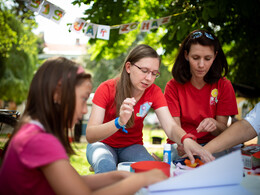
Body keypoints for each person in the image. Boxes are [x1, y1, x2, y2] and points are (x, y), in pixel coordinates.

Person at [0, 57, 168, 195]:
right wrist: (141, 179)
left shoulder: (31, 131)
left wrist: (117, 176)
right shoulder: (39, 141)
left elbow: (76, 181)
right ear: (57, 94)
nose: (83, 111)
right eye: (82, 100)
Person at [86, 44, 214, 174]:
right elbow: (90, 135)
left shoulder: (154, 92)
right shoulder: (106, 89)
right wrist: (119, 122)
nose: (149, 78)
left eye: (154, 73)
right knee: (106, 165)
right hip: (102, 144)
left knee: (150, 171)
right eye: (144, 70)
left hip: (131, 147)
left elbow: (170, 126)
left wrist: (185, 139)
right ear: (129, 67)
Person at [164, 30, 238, 160]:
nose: (201, 65)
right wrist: (184, 141)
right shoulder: (173, 86)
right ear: (186, 55)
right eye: (195, 58)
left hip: (213, 145)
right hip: (181, 144)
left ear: (215, 56)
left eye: (207, 58)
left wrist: (214, 124)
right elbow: (173, 128)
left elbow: (223, 130)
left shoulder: (224, 85)